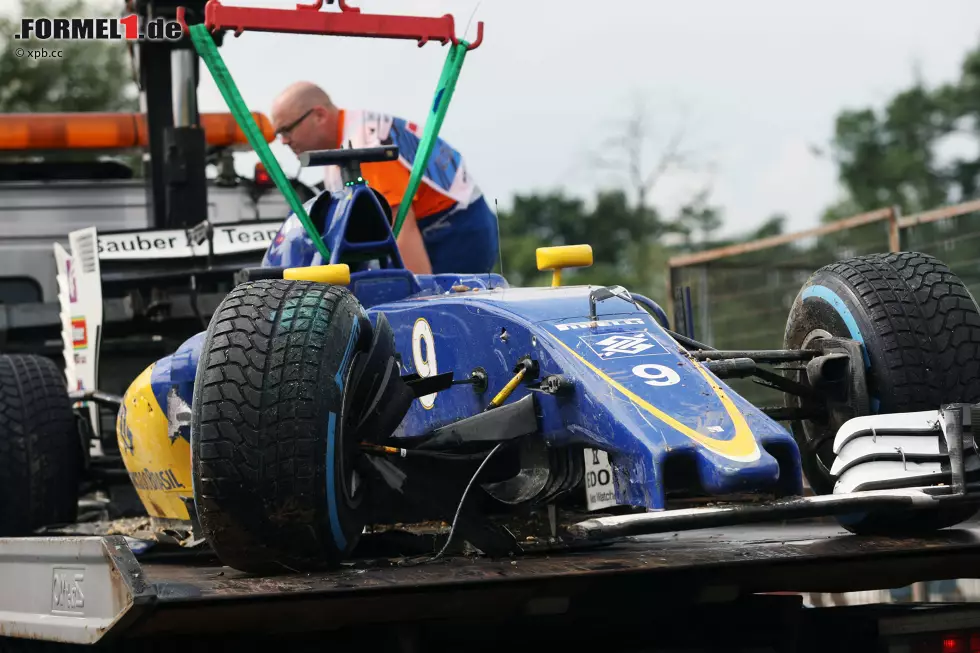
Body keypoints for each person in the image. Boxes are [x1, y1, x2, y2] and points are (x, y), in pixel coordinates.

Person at [269, 81, 499, 276]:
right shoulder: (348, 138)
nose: (284, 141)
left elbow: (400, 226)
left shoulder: (365, 145)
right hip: (447, 223)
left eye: (287, 130)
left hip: (454, 231)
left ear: (319, 115)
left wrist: (419, 305)